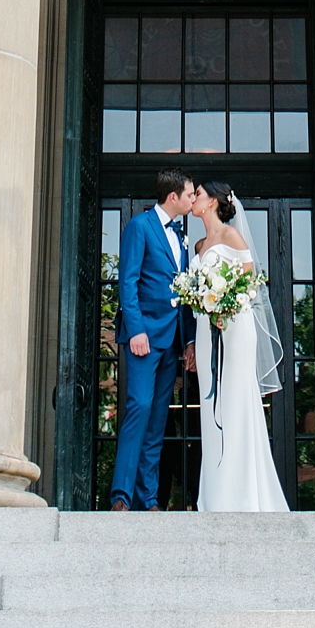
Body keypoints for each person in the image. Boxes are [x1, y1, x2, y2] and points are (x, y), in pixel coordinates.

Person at [190, 178, 289, 513]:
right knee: (211, 407)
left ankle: (244, 494)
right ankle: (217, 494)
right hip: (207, 331)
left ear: (214, 202)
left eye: (199, 194)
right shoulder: (198, 245)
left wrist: (224, 306)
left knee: (236, 404)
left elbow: (250, 284)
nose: (194, 198)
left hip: (234, 327)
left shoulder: (231, 236)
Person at [111, 168, 197, 511]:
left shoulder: (181, 235)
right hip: (144, 338)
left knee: (158, 418)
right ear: (173, 196)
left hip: (173, 339)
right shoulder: (139, 227)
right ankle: (120, 496)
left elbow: (187, 295)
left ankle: (148, 499)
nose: (194, 199)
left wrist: (189, 342)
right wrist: (136, 330)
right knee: (140, 408)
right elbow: (127, 283)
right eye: (190, 194)